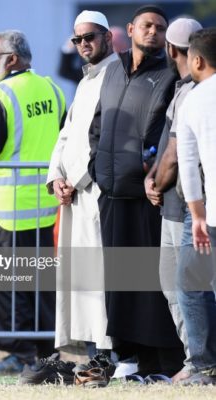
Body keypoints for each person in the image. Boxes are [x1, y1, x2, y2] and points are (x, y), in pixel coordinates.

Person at [0, 30, 65, 375]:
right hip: (45, 208)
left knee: (7, 287)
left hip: (8, 208)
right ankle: (45, 351)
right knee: (39, 285)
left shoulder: (0, 95)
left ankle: (21, 354)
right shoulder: (53, 90)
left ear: (12, 59)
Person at [89, 5, 184, 377]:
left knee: (151, 286)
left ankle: (161, 362)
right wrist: (96, 165)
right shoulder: (113, 68)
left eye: (160, 29)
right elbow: (100, 121)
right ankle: (126, 358)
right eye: (147, 26)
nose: (154, 33)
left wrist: (152, 171)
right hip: (111, 191)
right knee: (119, 282)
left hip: (148, 196)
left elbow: (165, 132)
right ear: (130, 29)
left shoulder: (169, 74)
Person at [47, 9, 118, 365]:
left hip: (95, 193)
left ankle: (108, 351)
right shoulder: (86, 79)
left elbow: (106, 138)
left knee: (99, 274)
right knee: (80, 278)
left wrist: (75, 179)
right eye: (78, 39)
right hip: (74, 194)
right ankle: (92, 351)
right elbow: (67, 134)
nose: (83, 44)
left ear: (107, 37)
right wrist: (56, 177)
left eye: (89, 36)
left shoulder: (116, 75)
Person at [142, 17, 203, 383]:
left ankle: (200, 361)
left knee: (188, 288)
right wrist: (155, 177)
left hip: (183, 206)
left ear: (171, 49)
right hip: (175, 203)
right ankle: (194, 358)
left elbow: (176, 155)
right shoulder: (185, 89)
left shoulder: (194, 93)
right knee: (174, 286)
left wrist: (156, 181)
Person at [176, 27, 216, 386]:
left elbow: (188, 166)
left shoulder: (193, 99)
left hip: (212, 213)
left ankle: (204, 366)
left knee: (192, 282)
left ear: (198, 60)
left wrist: (198, 215)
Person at [58, 25, 130, 84]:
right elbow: (65, 71)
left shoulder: (132, 69)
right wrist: (74, 41)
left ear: (126, 45)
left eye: (115, 44)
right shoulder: (94, 71)